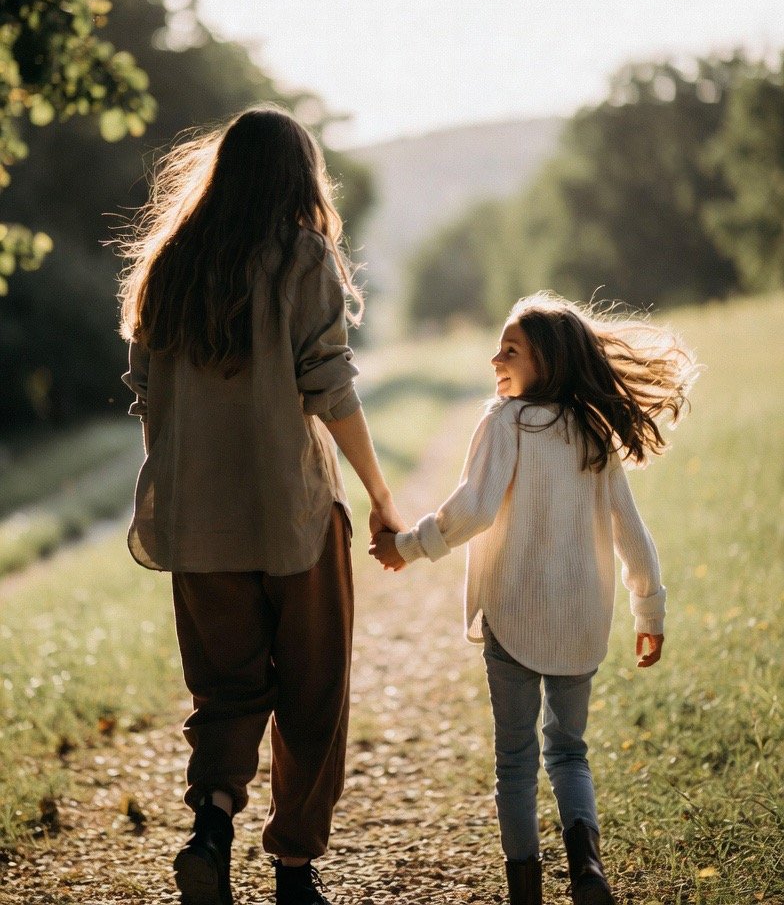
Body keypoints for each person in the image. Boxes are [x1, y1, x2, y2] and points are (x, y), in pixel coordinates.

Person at [119, 107, 405, 905]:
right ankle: (294, 872)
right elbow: (330, 385)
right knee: (314, 690)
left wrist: (180, 488)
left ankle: (211, 829)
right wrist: (380, 495)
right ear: (298, 177)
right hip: (294, 516)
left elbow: (146, 394)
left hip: (199, 524)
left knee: (226, 691)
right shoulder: (302, 257)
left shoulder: (169, 263)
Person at [370, 291, 698, 905]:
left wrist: (407, 546)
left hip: (512, 614)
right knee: (570, 753)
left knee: (516, 762)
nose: (495, 359)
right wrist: (649, 610)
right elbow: (631, 532)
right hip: (580, 621)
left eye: (511, 350)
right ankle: (587, 871)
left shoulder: (504, 423)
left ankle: (525, 890)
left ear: (546, 360)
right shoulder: (592, 432)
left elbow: (473, 510)